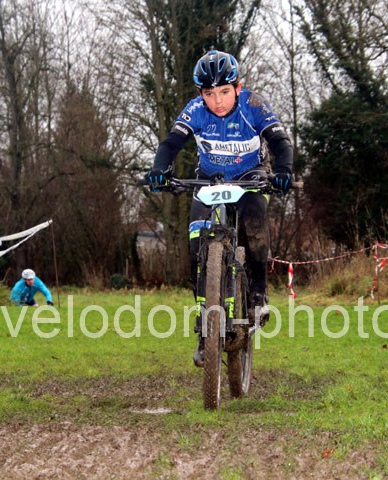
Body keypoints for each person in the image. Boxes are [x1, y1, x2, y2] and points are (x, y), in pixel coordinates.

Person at [145, 49, 294, 367]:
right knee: (196, 245)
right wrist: (160, 169)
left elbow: (280, 142)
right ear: (200, 94)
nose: (218, 101)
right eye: (209, 94)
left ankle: (258, 293)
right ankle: (206, 328)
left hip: (250, 177)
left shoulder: (254, 105)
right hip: (209, 180)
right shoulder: (195, 110)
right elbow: (171, 143)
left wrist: (284, 172)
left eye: (225, 92)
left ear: (237, 87)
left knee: (254, 221)